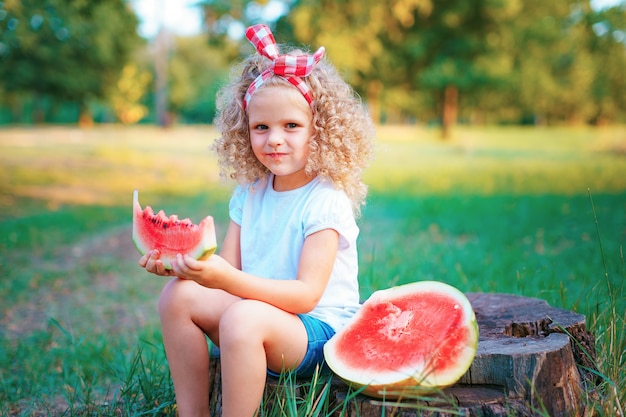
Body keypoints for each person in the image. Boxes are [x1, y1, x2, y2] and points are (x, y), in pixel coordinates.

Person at [139, 24, 375, 417]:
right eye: (260, 127)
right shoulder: (250, 193)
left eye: (291, 126)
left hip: (315, 333)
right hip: (251, 316)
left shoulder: (326, 201)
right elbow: (228, 270)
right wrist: (186, 268)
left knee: (243, 317)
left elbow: (305, 296)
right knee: (177, 297)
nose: (274, 140)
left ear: (320, 131)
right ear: (243, 130)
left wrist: (225, 280)